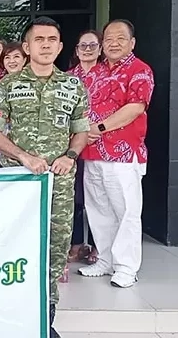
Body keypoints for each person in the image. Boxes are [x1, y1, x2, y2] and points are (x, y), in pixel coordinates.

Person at [0, 16, 90, 338]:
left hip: (58, 184)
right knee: (12, 244)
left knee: (56, 247)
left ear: (60, 47)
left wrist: (70, 156)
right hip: (17, 182)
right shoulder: (8, 85)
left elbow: (81, 132)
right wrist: (24, 157)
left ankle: (46, 318)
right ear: (27, 47)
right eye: (39, 39)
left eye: (51, 40)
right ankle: (10, 315)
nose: (45, 45)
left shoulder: (74, 86)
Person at [78, 19, 154, 289]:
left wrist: (99, 127)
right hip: (92, 151)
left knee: (126, 211)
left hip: (122, 154)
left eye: (120, 38)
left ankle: (126, 268)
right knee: (98, 210)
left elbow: (135, 107)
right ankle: (106, 259)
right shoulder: (95, 71)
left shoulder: (139, 70)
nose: (113, 43)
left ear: (132, 43)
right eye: (108, 38)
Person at [67, 30, 103, 266]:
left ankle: (101, 248)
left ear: (100, 49)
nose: (87, 49)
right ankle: (77, 244)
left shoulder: (109, 75)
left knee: (101, 201)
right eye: (83, 46)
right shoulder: (67, 78)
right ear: (77, 50)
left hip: (102, 144)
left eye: (92, 45)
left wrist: (95, 129)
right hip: (74, 145)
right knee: (76, 198)